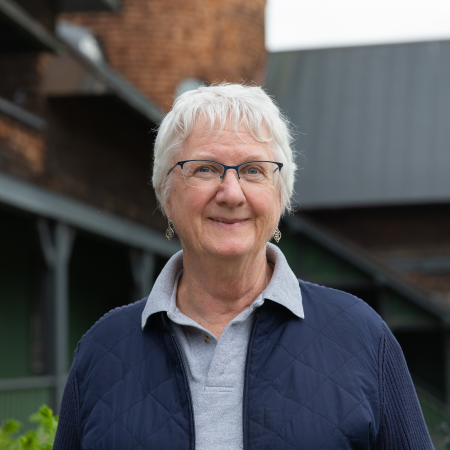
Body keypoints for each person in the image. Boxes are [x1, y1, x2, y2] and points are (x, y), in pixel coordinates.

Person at [53, 83, 433, 450]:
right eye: (205, 169)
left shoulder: (361, 335)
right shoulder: (102, 350)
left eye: (253, 170)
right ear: (166, 195)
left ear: (280, 196)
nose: (231, 193)